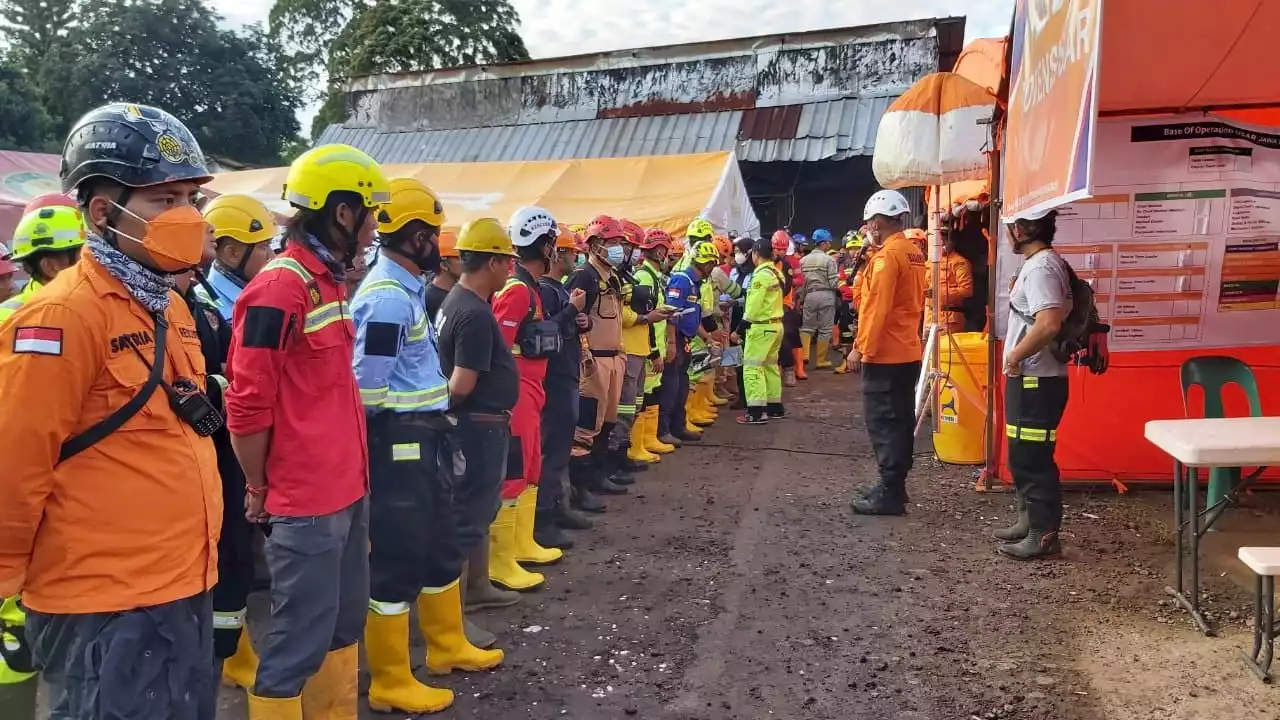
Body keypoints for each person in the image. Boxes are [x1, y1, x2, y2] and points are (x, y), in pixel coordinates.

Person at [0, 102, 221, 718]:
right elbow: (14, 466)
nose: (184, 216)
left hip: (183, 582)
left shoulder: (168, 306)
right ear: (103, 211)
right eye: (162, 200)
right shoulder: (60, 316)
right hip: (103, 603)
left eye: (189, 199)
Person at [226, 143, 385, 716]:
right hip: (307, 501)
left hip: (347, 489)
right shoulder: (279, 288)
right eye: (370, 213)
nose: (375, 228)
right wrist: (259, 488)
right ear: (342, 212)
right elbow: (247, 406)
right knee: (297, 641)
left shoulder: (332, 281)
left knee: (343, 625)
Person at [351, 178, 502, 715]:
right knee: (399, 556)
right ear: (415, 236)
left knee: (439, 545)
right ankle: (390, 678)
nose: (438, 242)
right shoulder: (389, 298)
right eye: (432, 232)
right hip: (400, 440)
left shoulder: (406, 288)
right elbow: (367, 388)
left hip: (425, 435)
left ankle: (446, 646)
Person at [199, 193, 276, 694]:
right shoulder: (221, 302)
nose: (270, 258)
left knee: (240, 558)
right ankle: (231, 659)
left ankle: (233, 653)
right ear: (230, 252)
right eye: (261, 248)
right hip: (224, 447)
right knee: (228, 556)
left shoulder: (220, 298)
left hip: (233, 444)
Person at [434, 219, 529, 623]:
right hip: (477, 427)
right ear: (491, 262)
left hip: (480, 424)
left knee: (479, 510)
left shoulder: (460, 301)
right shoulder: (472, 313)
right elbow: (460, 384)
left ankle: (476, 589)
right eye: (507, 260)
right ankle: (453, 618)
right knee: (469, 517)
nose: (511, 267)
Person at [490, 207, 568, 589]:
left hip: (532, 388)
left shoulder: (528, 286)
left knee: (532, 465)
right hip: (517, 390)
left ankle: (522, 543)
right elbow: (499, 347)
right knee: (516, 470)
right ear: (545, 245)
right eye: (554, 242)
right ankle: (501, 560)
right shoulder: (518, 290)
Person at [996, 208, 1072, 560]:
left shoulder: (1042, 268)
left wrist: (1014, 357)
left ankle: (1044, 535)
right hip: (1028, 379)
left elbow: (1049, 323)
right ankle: (1028, 521)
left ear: (1022, 230)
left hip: (1036, 380)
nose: (1008, 233)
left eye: (1010, 227)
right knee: (1021, 453)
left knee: (1032, 457)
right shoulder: (1039, 263)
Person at [845, 190, 927, 517]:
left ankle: (890, 493)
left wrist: (860, 348)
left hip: (885, 354)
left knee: (884, 422)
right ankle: (894, 486)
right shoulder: (912, 252)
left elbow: (875, 309)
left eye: (869, 223)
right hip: (907, 349)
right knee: (901, 419)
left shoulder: (886, 258)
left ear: (879, 221)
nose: (868, 229)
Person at [566, 216, 632, 509]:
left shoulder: (611, 277)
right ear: (595, 245)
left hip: (614, 359)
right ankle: (580, 490)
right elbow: (575, 318)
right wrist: (584, 354)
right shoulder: (584, 276)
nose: (619, 248)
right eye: (613, 243)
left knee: (607, 422)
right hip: (594, 363)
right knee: (585, 429)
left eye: (620, 243)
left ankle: (599, 475)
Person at [535, 225, 594, 541]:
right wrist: (572, 310)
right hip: (554, 379)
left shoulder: (558, 289)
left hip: (567, 375)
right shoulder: (545, 290)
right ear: (558, 253)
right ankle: (543, 518)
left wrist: (583, 320)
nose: (576, 257)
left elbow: (567, 327)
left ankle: (559, 505)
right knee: (551, 450)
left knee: (560, 449)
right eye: (573, 251)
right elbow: (544, 332)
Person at [613, 219, 672, 469]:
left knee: (636, 402)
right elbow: (632, 315)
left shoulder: (640, 276)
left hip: (643, 347)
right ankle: (626, 451)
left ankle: (633, 447)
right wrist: (655, 348)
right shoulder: (641, 277)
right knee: (628, 403)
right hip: (634, 348)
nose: (632, 252)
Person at [658, 242, 720, 444]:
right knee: (671, 387)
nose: (712, 267)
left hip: (685, 339)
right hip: (675, 339)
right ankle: (664, 430)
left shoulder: (695, 284)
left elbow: (693, 316)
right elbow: (671, 313)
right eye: (711, 263)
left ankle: (678, 426)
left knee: (682, 386)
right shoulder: (682, 281)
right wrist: (671, 343)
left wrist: (706, 337)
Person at [0, 204, 86, 324]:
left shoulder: (90, 305)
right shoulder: (9, 322)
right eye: (85, 256)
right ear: (50, 267)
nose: (96, 263)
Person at [197, 194, 277, 321]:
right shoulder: (203, 308)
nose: (273, 256)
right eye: (263, 246)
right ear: (232, 254)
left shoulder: (269, 295)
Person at [737, 237, 786, 424]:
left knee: (752, 368)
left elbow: (754, 305)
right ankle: (775, 407)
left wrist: (741, 327)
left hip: (762, 326)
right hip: (776, 326)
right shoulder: (775, 272)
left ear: (756, 254)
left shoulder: (760, 275)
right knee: (770, 366)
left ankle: (756, 412)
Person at [799, 227, 841, 372]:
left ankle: (804, 355)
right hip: (826, 296)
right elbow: (833, 282)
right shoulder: (829, 259)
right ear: (823, 243)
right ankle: (821, 360)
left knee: (806, 327)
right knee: (825, 329)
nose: (830, 245)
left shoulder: (803, 260)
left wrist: (802, 299)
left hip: (810, 295)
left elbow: (801, 283)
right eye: (828, 243)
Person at [925, 228, 974, 334]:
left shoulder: (959, 262)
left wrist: (939, 292)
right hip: (930, 316)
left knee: (944, 349)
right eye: (939, 239)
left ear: (953, 242)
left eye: (946, 239)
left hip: (950, 319)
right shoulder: (930, 262)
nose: (942, 242)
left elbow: (967, 289)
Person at [424, 229, 457, 321]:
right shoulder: (430, 299)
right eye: (459, 258)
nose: (464, 262)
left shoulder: (456, 291)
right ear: (443, 265)